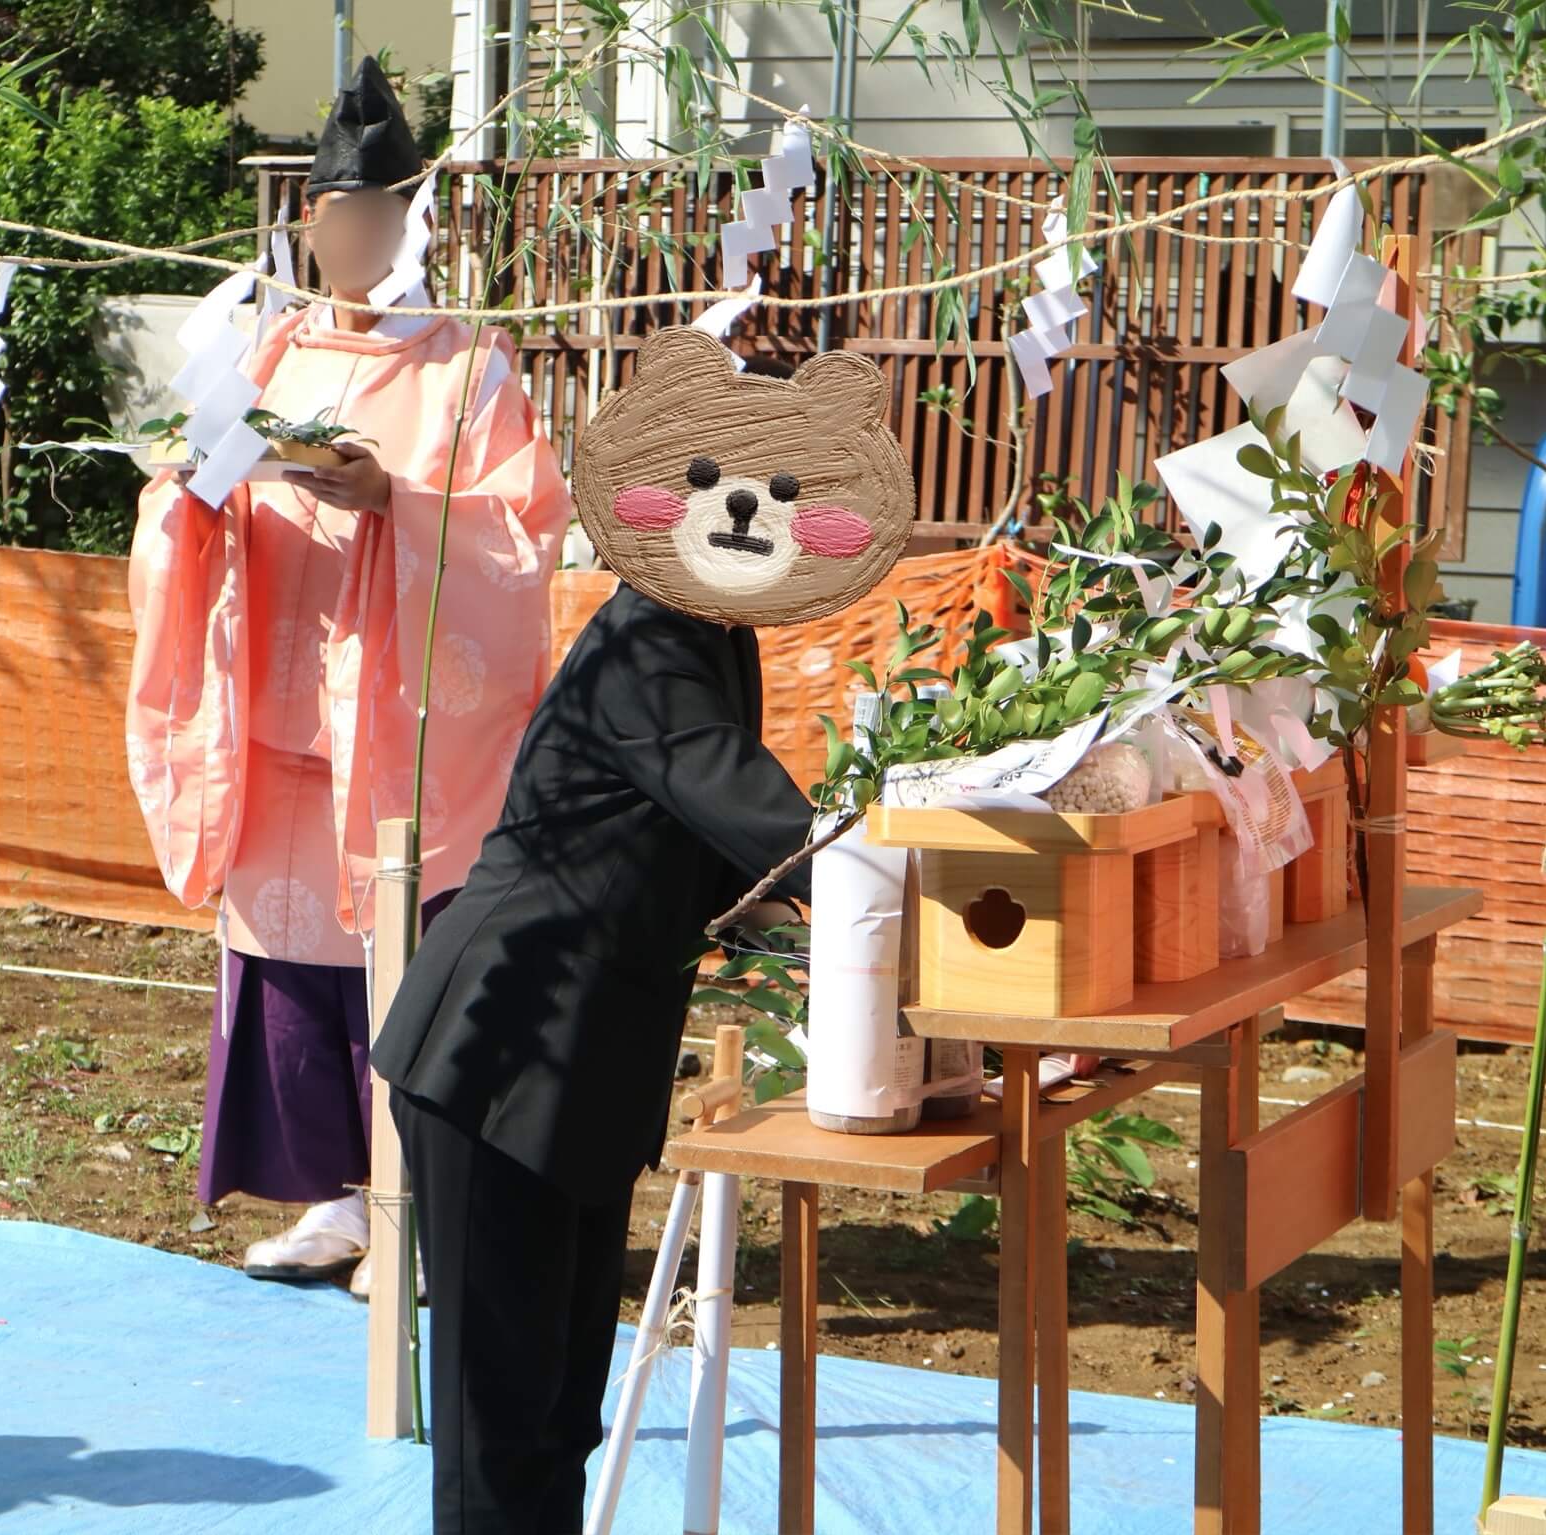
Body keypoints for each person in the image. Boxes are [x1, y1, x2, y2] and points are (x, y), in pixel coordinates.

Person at [371, 327, 917, 1531]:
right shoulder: (647, 642)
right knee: (499, 1423)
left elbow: (726, 858)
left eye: (780, 493)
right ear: (663, 494)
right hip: (500, 1045)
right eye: (722, 484)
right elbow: (754, 815)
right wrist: (911, 884)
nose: (745, 513)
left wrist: (855, 921)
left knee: (563, 1407)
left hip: (588, 1058)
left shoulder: (713, 634)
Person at [125, 56, 571, 1296]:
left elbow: (521, 528)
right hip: (270, 693)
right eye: (336, 218)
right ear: (310, 222)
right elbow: (189, 488)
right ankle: (332, 1197)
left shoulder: (465, 359)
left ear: (409, 222)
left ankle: (419, 1203)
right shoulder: (271, 348)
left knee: (405, 958)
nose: (354, 237)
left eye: (379, 217)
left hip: (397, 703)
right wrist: (190, 491)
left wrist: (394, 499)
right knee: (287, 956)